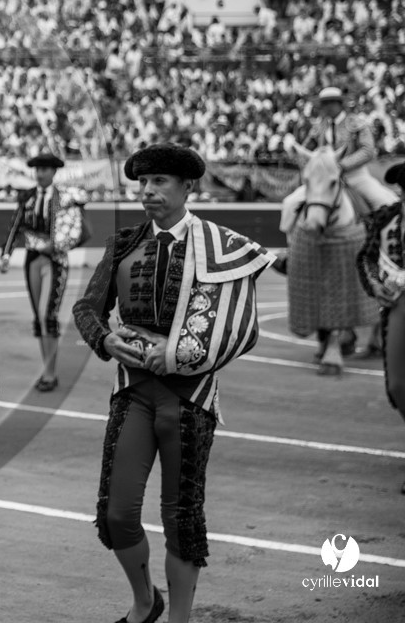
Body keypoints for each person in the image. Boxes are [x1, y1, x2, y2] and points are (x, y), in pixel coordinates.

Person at [72, 143, 274, 623]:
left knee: (181, 516)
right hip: (134, 389)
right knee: (116, 514)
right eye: (143, 182)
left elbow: (236, 327)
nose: (147, 191)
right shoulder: (123, 242)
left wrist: (184, 353)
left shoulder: (216, 244)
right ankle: (146, 602)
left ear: (188, 187)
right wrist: (104, 339)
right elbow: (86, 308)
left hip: (192, 395)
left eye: (160, 182)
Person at [0, 152, 89, 392]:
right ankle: (47, 369)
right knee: (39, 318)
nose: (40, 173)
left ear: (54, 172)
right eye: (37, 169)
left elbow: (77, 230)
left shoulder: (65, 197)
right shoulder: (27, 196)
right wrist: (6, 254)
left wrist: (61, 244)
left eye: (45, 169)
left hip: (55, 259)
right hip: (32, 258)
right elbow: (15, 226)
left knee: (46, 314)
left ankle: (50, 373)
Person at [281, 86, 398, 229]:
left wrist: (342, 165)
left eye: (332, 102)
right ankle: (293, 245)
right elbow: (308, 150)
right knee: (289, 204)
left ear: (340, 104)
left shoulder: (356, 122)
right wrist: (297, 154)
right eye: (324, 103)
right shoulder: (319, 126)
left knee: (387, 204)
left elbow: (368, 150)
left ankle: (384, 247)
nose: (327, 106)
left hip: (355, 176)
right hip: (325, 180)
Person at [355, 162, 405, 493]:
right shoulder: (388, 218)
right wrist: (377, 287)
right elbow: (366, 259)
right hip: (400, 304)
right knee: (400, 385)